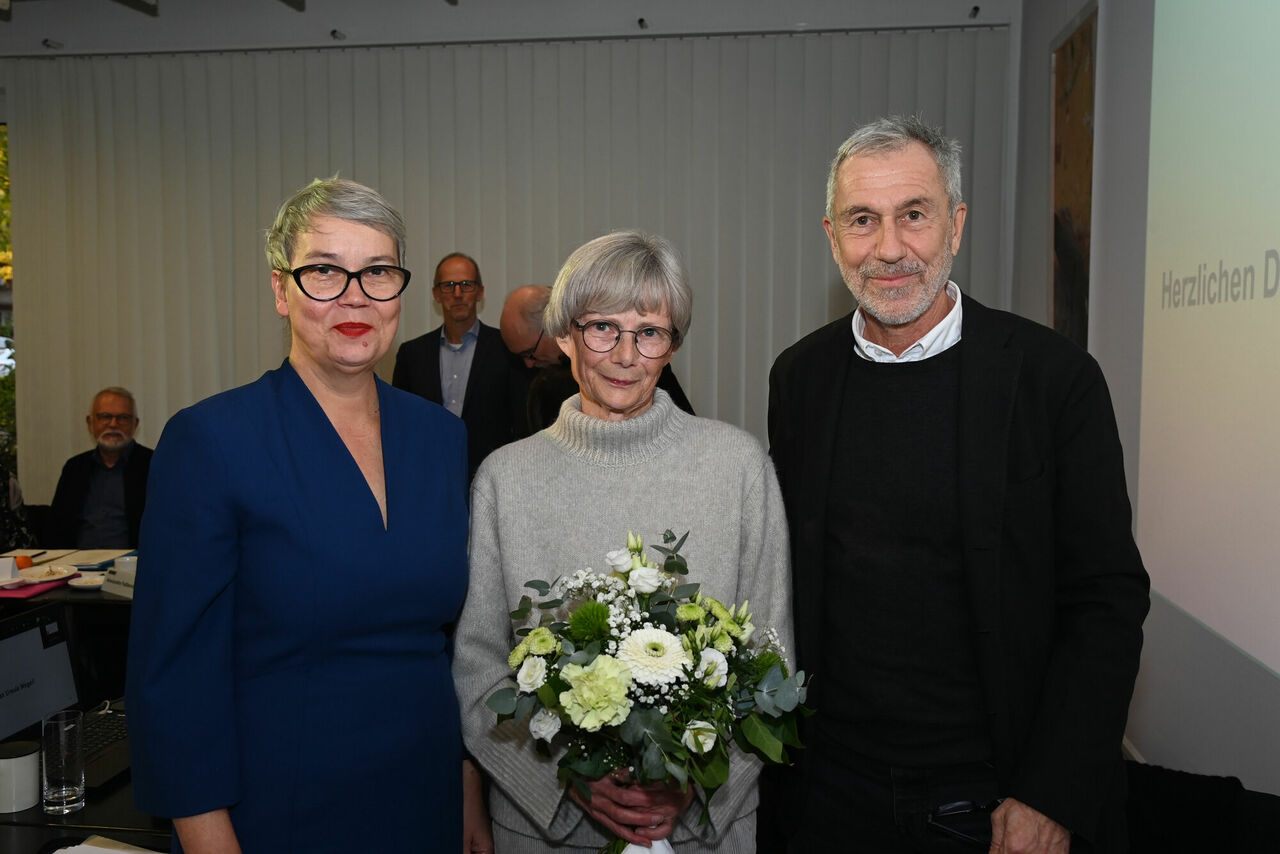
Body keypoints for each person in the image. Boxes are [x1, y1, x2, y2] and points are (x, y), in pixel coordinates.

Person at [767, 115, 1150, 853]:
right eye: (862, 220)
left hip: (993, 795)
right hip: (830, 790)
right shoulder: (800, 377)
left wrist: (1051, 791)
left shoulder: (1053, 380)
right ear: (830, 234)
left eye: (914, 215)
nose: (888, 248)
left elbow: (1106, 599)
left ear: (957, 225)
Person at [126, 178, 474, 852]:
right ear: (281, 290)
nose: (353, 295)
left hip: (423, 798)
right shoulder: (212, 440)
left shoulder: (439, 438)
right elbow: (172, 675)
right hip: (277, 808)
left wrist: (466, 788)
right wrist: (206, 838)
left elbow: (450, 644)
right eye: (324, 271)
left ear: (399, 292)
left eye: (377, 272)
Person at [455, 230, 792, 852]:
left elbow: (772, 656)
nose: (625, 354)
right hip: (546, 835)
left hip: (699, 835)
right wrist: (564, 779)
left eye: (650, 332)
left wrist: (696, 781)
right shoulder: (504, 478)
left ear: (672, 346)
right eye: (603, 327)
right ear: (564, 334)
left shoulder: (738, 467)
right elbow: (477, 667)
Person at [392, 252, 528, 478]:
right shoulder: (412, 354)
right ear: (436, 294)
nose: (457, 294)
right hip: (427, 475)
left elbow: (521, 423)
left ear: (480, 292)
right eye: (448, 286)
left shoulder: (506, 349)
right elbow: (400, 426)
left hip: (492, 475)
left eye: (466, 285)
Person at [500, 283, 695, 431]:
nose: (528, 363)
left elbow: (683, 426)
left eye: (529, 353)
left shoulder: (643, 361)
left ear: (553, 326)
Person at [48, 387, 152, 548]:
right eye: (105, 417)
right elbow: (57, 527)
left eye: (123, 418)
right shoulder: (74, 468)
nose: (113, 424)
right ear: (90, 423)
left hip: (134, 566)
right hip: (79, 567)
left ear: (135, 424)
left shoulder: (152, 464)